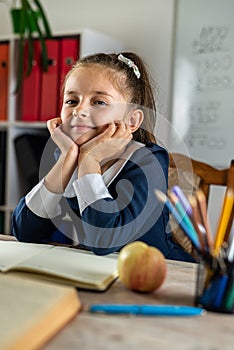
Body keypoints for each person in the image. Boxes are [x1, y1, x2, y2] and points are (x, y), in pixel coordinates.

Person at [11, 52, 195, 262]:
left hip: (165, 275)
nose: (79, 110)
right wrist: (66, 159)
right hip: (98, 272)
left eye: (99, 102)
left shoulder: (147, 161)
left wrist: (90, 162)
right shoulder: (68, 155)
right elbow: (23, 230)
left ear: (132, 120)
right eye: (71, 100)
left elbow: (104, 240)